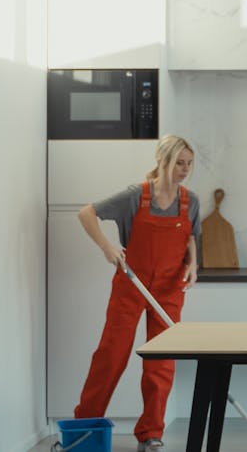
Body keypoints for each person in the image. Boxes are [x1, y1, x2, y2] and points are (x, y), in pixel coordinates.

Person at [73, 134, 201, 452]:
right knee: (111, 356)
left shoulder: (190, 200)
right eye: (178, 163)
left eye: (189, 164)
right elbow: (86, 213)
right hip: (131, 283)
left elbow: (191, 235)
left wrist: (194, 263)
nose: (184, 170)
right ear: (161, 160)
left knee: (161, 362)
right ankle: (83, 430)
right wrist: (107, 247)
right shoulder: (135, 196)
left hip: (170, 290)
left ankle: (151, 433)